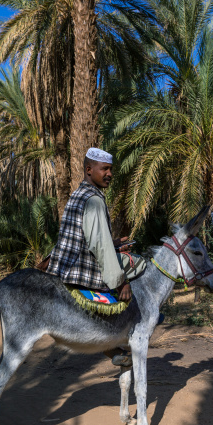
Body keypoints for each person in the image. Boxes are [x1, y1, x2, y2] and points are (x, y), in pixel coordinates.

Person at [46, 147, 146, 364]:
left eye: (111, 169)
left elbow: (76, 236)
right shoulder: (94, 200)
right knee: (137, 264)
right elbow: (100, 247)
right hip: (82, 268)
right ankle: (125, 330)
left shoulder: (78, 194)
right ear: (89, 170)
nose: (110, 174)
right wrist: (121, 283)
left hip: (64, 264)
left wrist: (114, 243)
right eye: (105, 169)